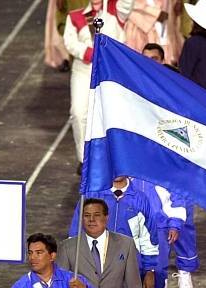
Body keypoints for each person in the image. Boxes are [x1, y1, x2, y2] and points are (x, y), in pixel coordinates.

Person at [63, 0, 134, 174]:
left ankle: (113, 159)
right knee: (78, 113)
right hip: (84, 70)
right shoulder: (75, 16)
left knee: (111, 115)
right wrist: (90, 53)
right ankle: (84, 159)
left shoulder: (116, 12)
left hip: (111, 71)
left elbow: (127, 3)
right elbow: (70, 42)